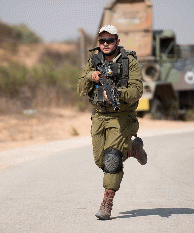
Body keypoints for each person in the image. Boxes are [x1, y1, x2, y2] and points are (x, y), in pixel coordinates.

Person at [77, 25, 147, 220]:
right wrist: (91, 77)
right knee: (100, 160)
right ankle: (132, 149)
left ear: (117, 41)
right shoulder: (94, 60)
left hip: (122, 116)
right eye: (102, 41)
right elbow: (80, 88)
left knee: (112, 159)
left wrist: (117, 93)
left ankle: (106, 204)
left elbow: (137, 91)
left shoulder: (129, 62)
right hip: (99, 116)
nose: (105, 44)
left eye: (109, 40)